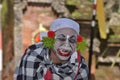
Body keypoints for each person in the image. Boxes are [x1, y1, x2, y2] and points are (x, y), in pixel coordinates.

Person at [14, 18, 89, 80]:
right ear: (51, 40)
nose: (67, 44)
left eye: (72, 40)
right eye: (61, 38)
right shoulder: (33, 57)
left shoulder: (80, 68)